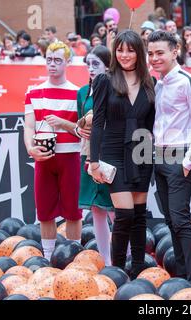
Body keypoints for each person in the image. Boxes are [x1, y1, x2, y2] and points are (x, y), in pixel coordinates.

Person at [147, 30, 191, 290]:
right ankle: (183, 276)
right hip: (158, 156)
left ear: (175, 51)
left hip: (179, 157)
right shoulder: (158, 83)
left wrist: (188, 162)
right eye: (150, 53)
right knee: (171, 221)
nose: (154, 58)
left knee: (181, 220)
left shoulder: (188, 81)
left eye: (160, 52)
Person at [90, 30, 155, 279]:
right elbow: (97, 123)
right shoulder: (104, 81)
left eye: (130, 50)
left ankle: (137, 269)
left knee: (139, 215)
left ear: (139, 52)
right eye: (120, 49)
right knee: (124, 214)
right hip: (113, 153)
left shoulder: (151, 82)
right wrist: (94, 161)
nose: (125, 55)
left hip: (140, 153)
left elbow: (151, 124)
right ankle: (116, 273)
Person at [24, 42, 82, 260]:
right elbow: (29, 125)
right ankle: (48, 257)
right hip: (43, 158)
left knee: (73, 211)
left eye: (58, 60)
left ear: (68, 62)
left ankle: (74, 254)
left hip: (71, 157)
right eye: (49, 59)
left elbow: (82, 130)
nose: (52, 64)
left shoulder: (78, 93)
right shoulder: (34, 91)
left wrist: (64, 125)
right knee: (45, 210)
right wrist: (31, 148)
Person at [76, 45, 114, 266]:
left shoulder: (115, 88)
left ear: (107, 66)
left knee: (114, 209)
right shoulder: (82, 92)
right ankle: (106, 261)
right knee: (96, 209)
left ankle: (123, 258)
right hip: (88, 153)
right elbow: (79, 123)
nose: (90, 68)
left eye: (96, 64)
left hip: (109, 154)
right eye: (88, 64)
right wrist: (79, 128)